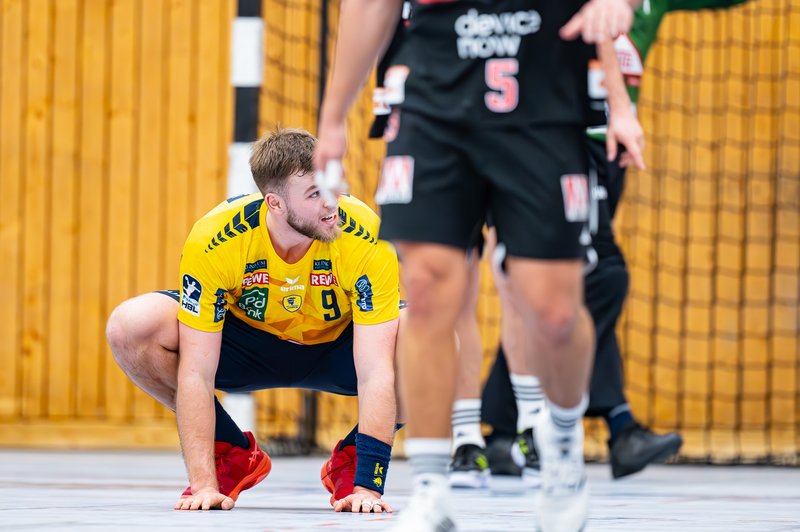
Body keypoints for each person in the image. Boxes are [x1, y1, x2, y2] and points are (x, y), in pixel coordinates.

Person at [315, 1, 644, 530]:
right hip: (434, 102)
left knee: (555, 313)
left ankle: (561, 446)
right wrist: (332, 119)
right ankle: (430, 484)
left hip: (542, 99)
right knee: (425, 294)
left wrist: (620, 88)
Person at [481, 0, 746, 481]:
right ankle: (603, 426)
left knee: (564, 287)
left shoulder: (649, 5)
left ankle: (507, 430)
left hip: (613, 150)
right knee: (597, 275)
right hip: (561, 142)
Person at [106, 128, 401, 513]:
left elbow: (377, 371)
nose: (332, 205)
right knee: (130, 325)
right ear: (274, 204)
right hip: (247, 345)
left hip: (336, 346)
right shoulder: (216, 238)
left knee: (434, 343)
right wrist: (202, 486)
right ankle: (231, 454)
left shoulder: (365, 234)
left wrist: (368, 487)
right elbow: (195, 372)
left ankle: (352, 462)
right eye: (315, 194)